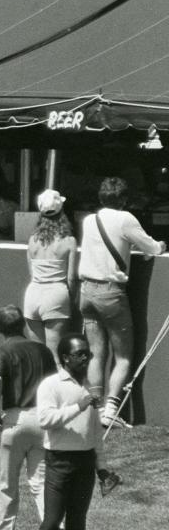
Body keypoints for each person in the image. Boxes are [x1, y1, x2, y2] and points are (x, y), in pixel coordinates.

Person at [26, 334, 120, 530]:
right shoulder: (51, 385)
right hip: (59, 461)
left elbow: (94, 435)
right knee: (52, 522)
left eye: (88, 353)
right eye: (80, 354)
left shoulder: (88, 388)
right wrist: (78, 406)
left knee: (77, 525)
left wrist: (102, 469)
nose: (86, 358)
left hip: (84, 462)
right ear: (65, 357)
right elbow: (46, 419)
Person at [78, 176, 165, 429]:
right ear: (125, 199)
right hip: (111, 292)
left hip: (86, 291)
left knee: (95, 353)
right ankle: (112, 409)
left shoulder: (89, 220)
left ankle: (96, 406)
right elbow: (151, 247)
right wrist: (159, 245)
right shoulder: (126, 219)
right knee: (124, 356)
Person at [0, 305, 56, 530]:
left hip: (15, 420)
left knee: (8, 484)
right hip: (43, 420)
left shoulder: (2, 351)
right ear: (24, 326)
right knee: (41, 484)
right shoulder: (43, 350)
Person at [24, 190, 77, 364]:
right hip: (56, 295)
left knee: (38, 359)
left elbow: (32, 273)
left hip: (32, 295)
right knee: (55, 359)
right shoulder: (69, 241)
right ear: (62, 211)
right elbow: (71, 279)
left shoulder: (32, 240)